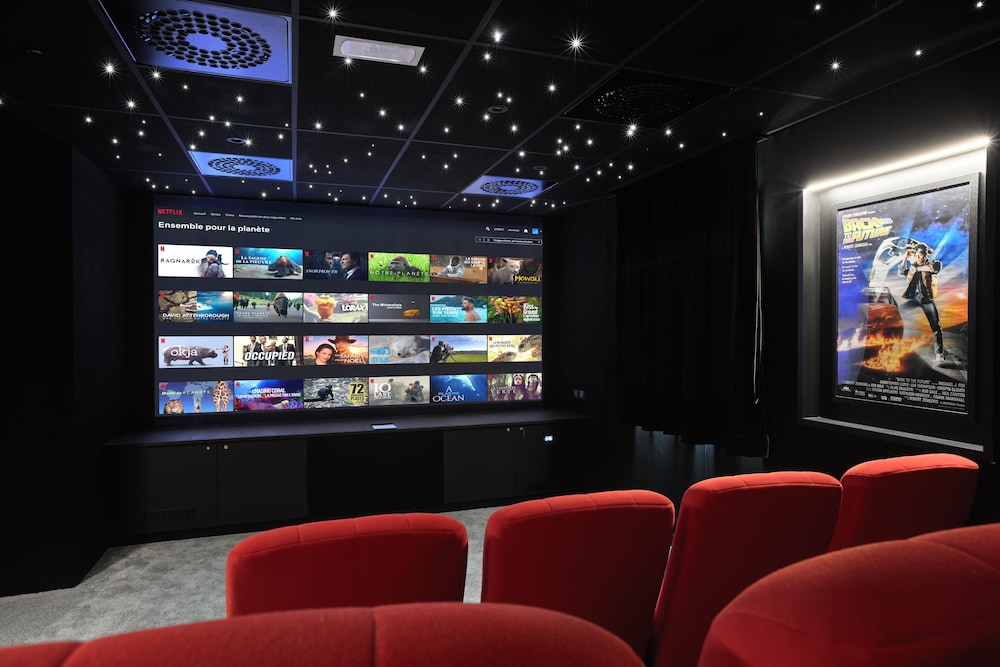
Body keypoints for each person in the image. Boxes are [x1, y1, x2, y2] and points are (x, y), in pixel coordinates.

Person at [899, 242, 945, 361]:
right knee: (897, 312)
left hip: (927, 301)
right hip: (914, 299)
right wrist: (905, 258)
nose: (918, 257)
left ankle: (939, 354)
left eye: (920, 254)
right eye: (917, 255)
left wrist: (916, 267)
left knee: (936, 328)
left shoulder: (932, 264)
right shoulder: (913, 267)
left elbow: (935, 268)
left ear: (925, 255)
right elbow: (901, 272)